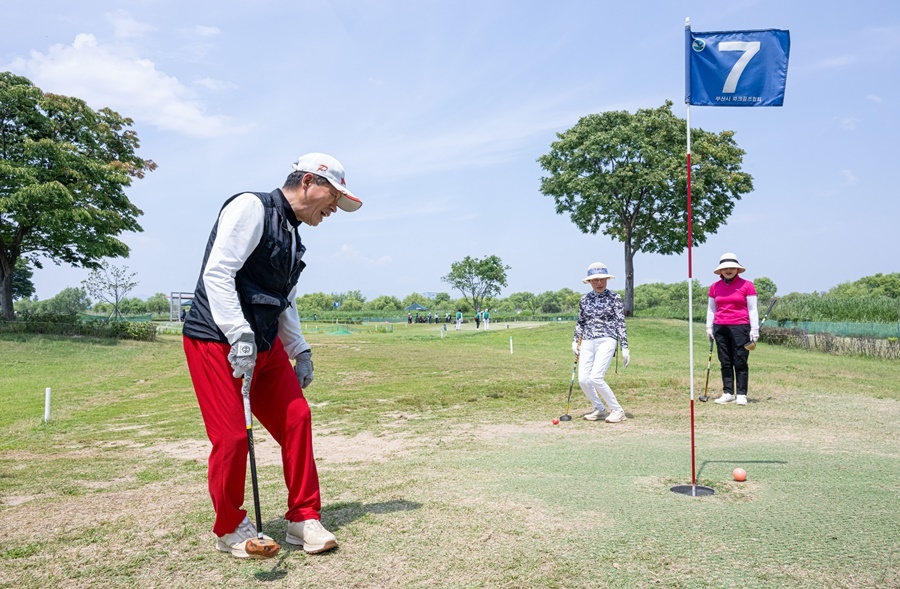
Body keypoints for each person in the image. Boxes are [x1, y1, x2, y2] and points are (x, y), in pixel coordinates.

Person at [182, 152, 362, 558]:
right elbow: (218, 272)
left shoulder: (294, 235)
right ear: (309, 183)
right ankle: (229, 528)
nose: (334, 207)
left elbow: (284, 300)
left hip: (263, 344)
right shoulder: (251, 206)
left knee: (297, 416)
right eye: (333, 196)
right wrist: (238, 333)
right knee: (230, 438)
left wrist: (300, 348)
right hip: (216, 340)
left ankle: (303, 518)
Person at [572, 262, 630, 423]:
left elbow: (620, 323)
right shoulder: (584, 300)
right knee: (583, 379)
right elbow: (581, 322)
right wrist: (575, 341)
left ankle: (618, 410)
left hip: (607, 339)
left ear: (607, 280)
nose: (599, 283)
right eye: (595, 280)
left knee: (596, 377)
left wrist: (625, 347)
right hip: (588, 341)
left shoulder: (614, 298)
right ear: (589, 282)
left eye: (602, 279)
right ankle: (599, 409)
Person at [707, 252, 759, 406]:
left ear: (737, 269)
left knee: (740, 360)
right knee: (725, 361)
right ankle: (728, 392)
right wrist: (709, 327)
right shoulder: (714, 287)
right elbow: (711, 309)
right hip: (720, 327)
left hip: (741, 327)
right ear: (720, 270)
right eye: (725, 268)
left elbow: (753, 309)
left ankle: (741, 394)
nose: (728, 270)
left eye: (731, 268)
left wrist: (754, 329)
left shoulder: (747, 285)